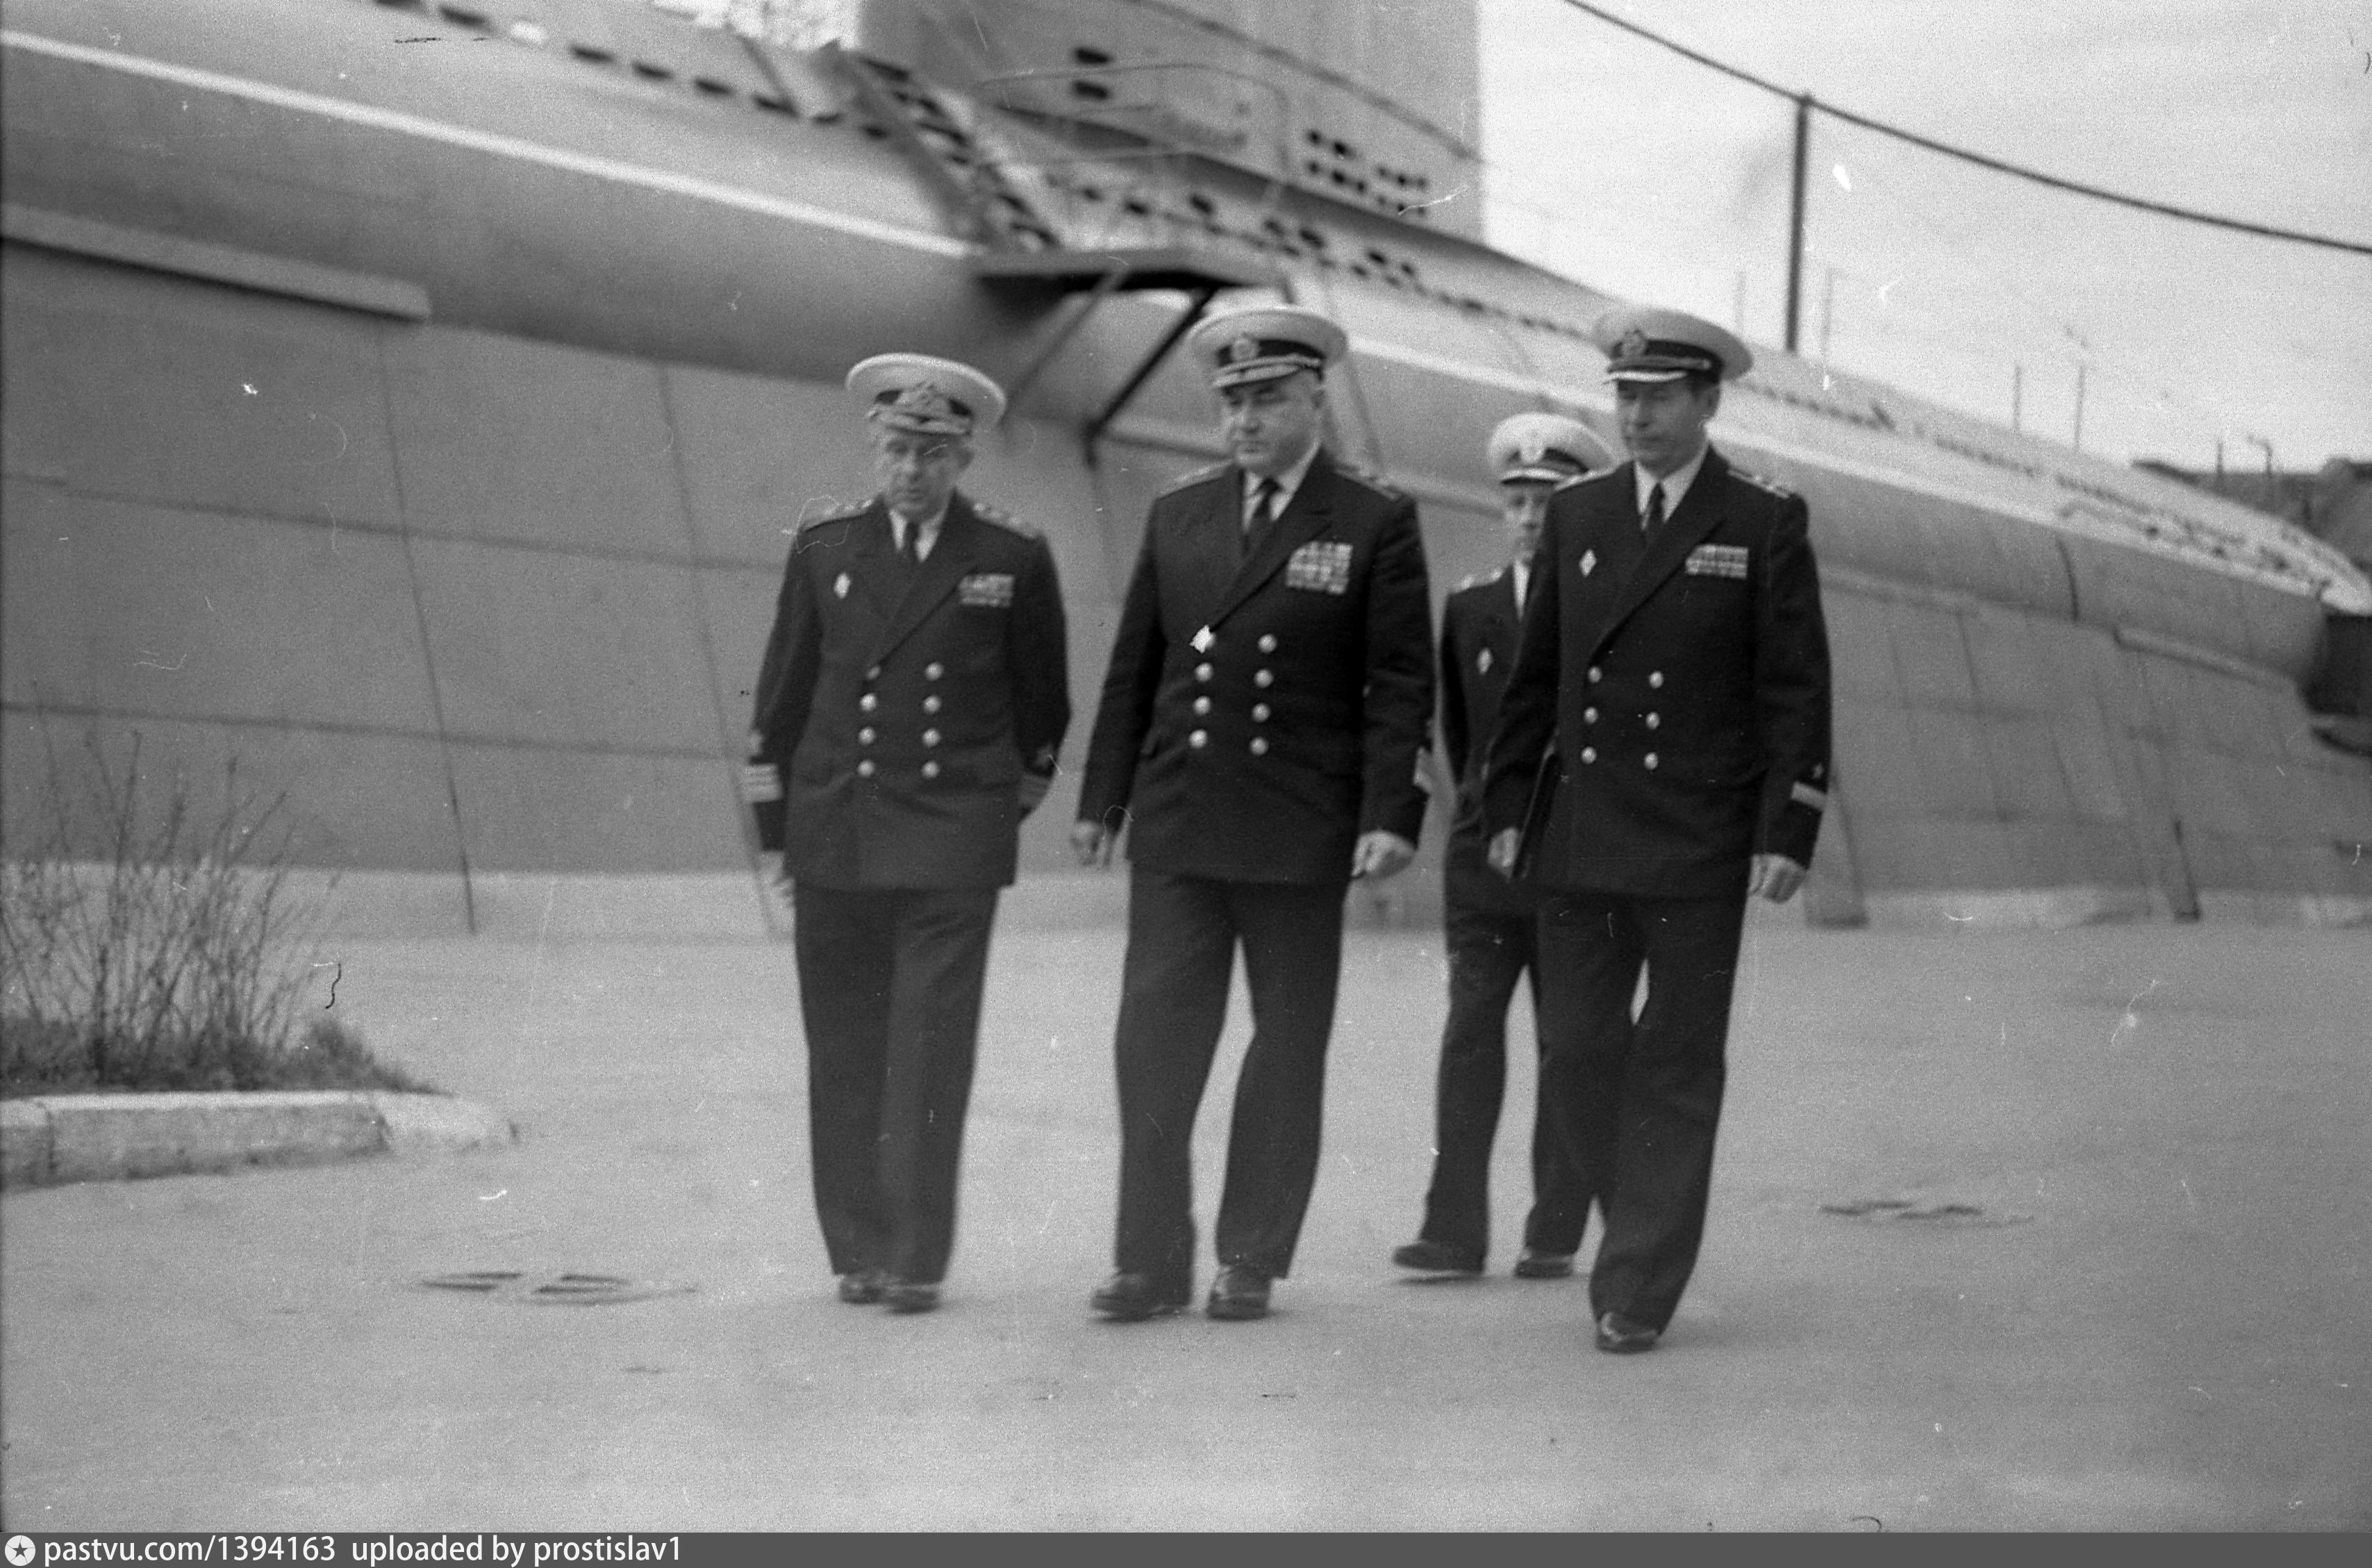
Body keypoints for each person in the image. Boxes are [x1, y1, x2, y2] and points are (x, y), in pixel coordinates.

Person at [1072, 302, 1435, 1322]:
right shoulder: (1180, 513)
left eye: (1266, 398)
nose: (1244, 419)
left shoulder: (1369, 519)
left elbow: (1398, 681)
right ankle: (1148, 1261)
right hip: (1181, 820)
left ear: (1314, 398)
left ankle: (1249, 1256)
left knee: (1284, 1049)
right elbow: (1142, 662)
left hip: (1296, 825)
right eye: (1230, 401)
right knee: (1153, 1047)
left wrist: (1391, 810)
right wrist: (1103, 798)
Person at [1481, 306, 1833, 1353]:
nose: (1635, 417)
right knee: (1575, 1049)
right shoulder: (1579, 513)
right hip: (1582, 831)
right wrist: (1507, 806)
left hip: (1696, 838)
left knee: (1676, 1060)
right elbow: (1536, 674)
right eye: (1624, 398)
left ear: (1707, 400)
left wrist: (1788, 826)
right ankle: (1638, 1213)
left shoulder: (1760, 519)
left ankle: (1635, 1279)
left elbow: (1793, 686)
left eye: (1658, 398)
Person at [740, 352, 1070, 1315]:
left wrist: (985, 815)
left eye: (930, 453)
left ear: (962, 456)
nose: (910, 469)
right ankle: (857, 1250)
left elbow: (1042, 709)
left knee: (927, 1048)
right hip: (836, 832)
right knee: (844, 1047)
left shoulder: (1010, 557)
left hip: (950, 838)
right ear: (873, 446)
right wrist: (778, 836)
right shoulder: (824, 547)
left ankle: (915, 1256)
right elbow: (780, 698)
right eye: (896, 449)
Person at [1392, 412, 1609, 1283]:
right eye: (1516, 502)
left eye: (1546, 503)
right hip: (1484, 858)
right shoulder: (1471, 606)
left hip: (1570, 856)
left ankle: (1552, 1227)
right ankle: (1451, 1229)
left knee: (1567, 1041)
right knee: (1470, 1033)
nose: (1528, 519)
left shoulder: (1601, 608)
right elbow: (1462, 734)